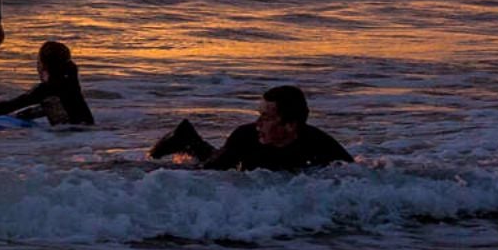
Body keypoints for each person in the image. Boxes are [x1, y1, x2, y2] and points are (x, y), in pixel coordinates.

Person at [148, 85, 352, 171]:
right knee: (212, 159)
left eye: (266, 117)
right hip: (237, 157)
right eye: (259, 115)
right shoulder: (246, 136)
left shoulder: (319, 143)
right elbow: (206, 175)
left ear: (290, 125)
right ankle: (186, 139)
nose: (258, 124)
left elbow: (357, 175)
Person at [0, 41, 94, 126]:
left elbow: (10, 105)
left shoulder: (46, 89)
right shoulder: (70, 83)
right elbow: (52, 106)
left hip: (70, 135)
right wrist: (23, 115)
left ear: (45, 66)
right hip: (85, 131)